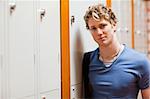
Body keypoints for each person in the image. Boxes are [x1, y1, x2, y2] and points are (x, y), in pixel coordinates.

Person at [82, 4, 150, 99]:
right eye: (93, 28)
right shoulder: (88, 60)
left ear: (114, 25)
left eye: (103, 26)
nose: (99, 32)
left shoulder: (140, 61)